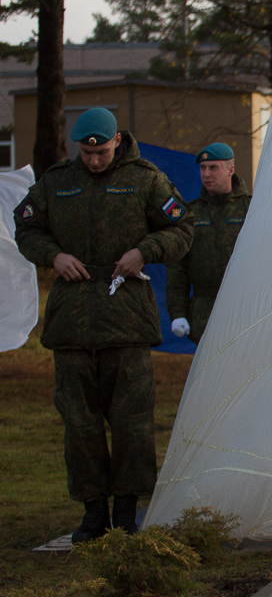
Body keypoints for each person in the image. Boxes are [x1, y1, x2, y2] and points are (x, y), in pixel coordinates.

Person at [13, 108, 194, 543]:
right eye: (87, 153)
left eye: (103, 152)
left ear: (117, 141)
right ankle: (93, 512)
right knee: (80, 420)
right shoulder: (57, 181)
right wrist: (53, 255)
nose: (94, 161)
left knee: (131, 419)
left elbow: (182, 228)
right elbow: (25, 228)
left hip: (126, 314)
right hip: (73, 317)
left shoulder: (146, 179)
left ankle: (127, 510)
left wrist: (145, 250)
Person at [166, 143, 251, 344]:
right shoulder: (191, 214)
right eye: (203, 168)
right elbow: (177, 268)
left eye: (213, 167)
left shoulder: (251, 209)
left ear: (230, 170)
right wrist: (177, 313)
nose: (206, 174)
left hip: (245, 310)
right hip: (205, 313)